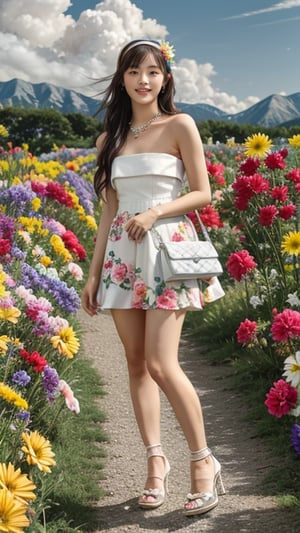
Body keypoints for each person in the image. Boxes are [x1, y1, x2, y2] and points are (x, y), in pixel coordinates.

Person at [81, 38, 225, 516]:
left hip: (167, 250)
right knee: (137, 364)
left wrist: (158, 210)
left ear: (166, 78)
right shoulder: (110, 139)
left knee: (163, 364)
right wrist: (93, 271)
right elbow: (109, 213)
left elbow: (203, 192)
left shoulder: (180, 124)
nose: (144, 81)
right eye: (134, 72)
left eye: (153, 72)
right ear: (122, 79)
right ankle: (155, 464)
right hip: (123, 257)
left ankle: (204, 463)